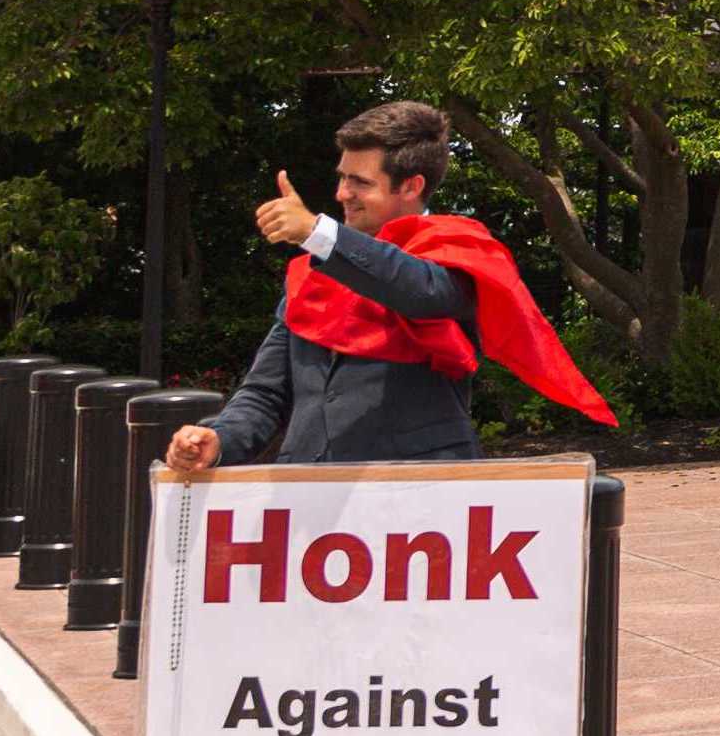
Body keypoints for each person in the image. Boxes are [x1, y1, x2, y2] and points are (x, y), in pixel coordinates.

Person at [162, 102, 615, 476]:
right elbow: (265, 393)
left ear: (412, 186)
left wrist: (316, 233)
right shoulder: (311, 272)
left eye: (360, 182)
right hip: (307, 500)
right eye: (342, 177)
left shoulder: (458, 254)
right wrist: (219, 440)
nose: (342, 193)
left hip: (420, 505)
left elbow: (419, 292)